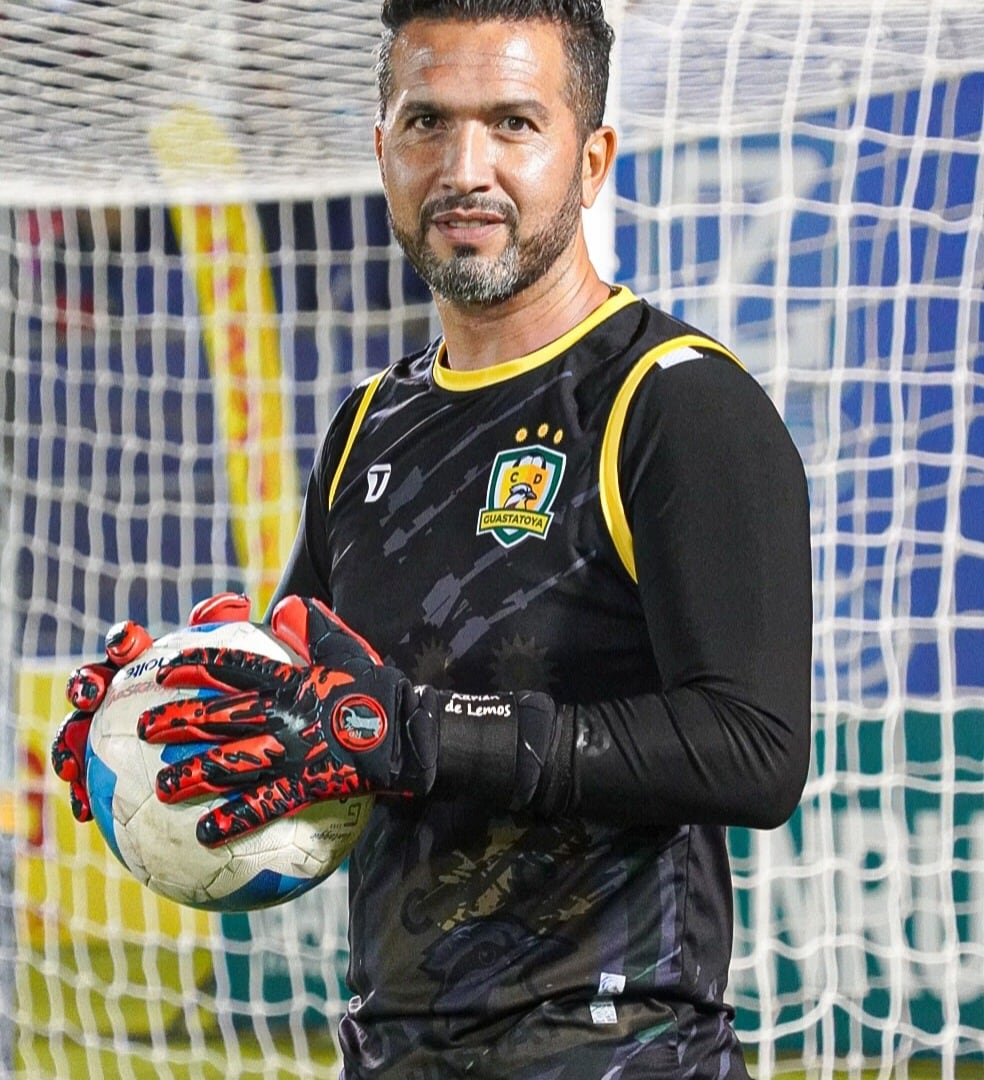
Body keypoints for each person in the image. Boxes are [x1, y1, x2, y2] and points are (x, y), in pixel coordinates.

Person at [53, 1, 813, 1076]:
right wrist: (171, 715)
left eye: (512, 123)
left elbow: (755, 752)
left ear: (591, 158)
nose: (465, 167)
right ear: (381, 148)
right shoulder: (371, 422)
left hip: (619, 1053)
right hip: (393, 1052)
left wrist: (424, 732)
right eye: (426, 123)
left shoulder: (675, 406)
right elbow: (321, 707)